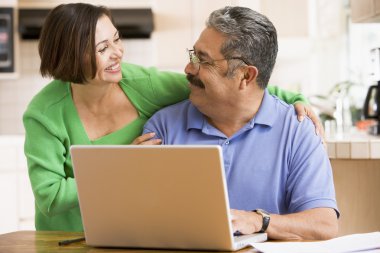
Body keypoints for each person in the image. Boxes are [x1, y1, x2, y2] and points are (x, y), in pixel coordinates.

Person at [23, 3, 320, 232]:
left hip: (123, 234)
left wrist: (294, 98)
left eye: (116, 39)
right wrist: (121, 164)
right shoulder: (45, 114)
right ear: (72, 56)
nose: (118, 53)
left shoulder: (140, 84)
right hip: (64, 238)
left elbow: (233, 86)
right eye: (103, 48)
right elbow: (49, 197)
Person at [143, 6, 339, 240]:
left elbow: (323, 226)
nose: (188, 68)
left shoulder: (297, 130)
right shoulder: (163, 127)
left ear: (246, 76)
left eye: (202, 60)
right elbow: (141, 219)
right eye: (192, 55)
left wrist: (259, 221)